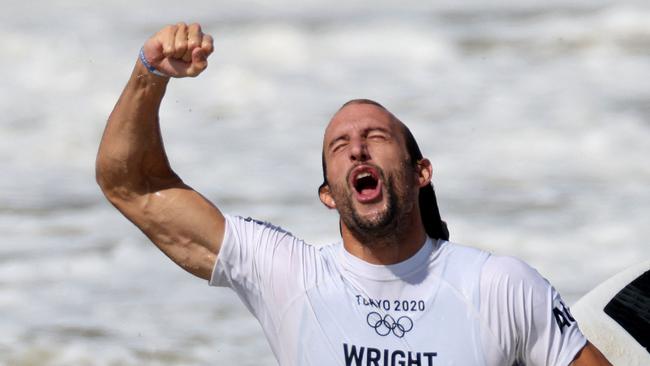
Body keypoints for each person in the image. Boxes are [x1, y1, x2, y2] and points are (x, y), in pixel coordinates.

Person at [96, 22, 612, 366]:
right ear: (328, 194)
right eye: (339, 146)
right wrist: (150, 74)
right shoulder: (286, 273)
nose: (358, 149)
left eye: (377, 137)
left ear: (421, 171)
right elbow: (132, 184)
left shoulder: (499, 287)